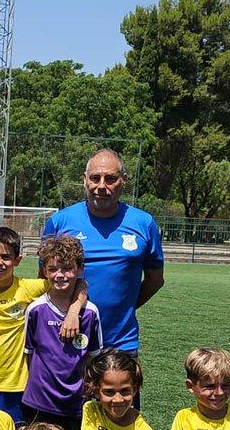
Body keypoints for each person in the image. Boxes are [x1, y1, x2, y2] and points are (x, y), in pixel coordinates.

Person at [40, 149, 164, 356]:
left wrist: (125, 309)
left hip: (120, 343)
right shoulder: (60, 222)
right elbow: (44, 280)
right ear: (85, 181)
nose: (101, 186)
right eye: (95, 178)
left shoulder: (143, 223)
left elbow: (155, 280)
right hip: (67, 339)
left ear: (123, 181)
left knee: (120, 390)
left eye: (111, 179)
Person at [0, 226, 86, 427]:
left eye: (5, 257)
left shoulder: (29, 287)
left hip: (18, 383)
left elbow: (80, 284)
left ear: (17, 260)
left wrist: (74, 311)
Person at [22, 234, 103, 430]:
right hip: (39, 403)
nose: (60, 275)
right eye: (53, 268)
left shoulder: (90, 313)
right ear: (44, 271)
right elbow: (30, 355)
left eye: (67, 268)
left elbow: (92, 360)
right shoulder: (35, 310)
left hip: (75, 406)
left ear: (79, 269)